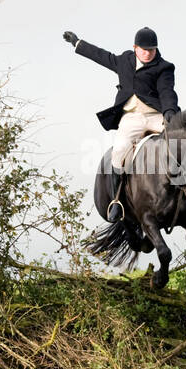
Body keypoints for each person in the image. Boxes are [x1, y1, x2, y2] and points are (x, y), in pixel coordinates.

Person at [63, 26, 179, 222]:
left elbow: (167, 91)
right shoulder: (125, 60)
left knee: (179, 143)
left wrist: (169, 111)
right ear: (135, 47)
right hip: (132, 117)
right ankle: (117, 200)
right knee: (119, 151)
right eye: (144, 49)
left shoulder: (164, 67)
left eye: (152, 49)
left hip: (155, 114)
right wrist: (77, 43)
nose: (148, 53)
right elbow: (102, 56)